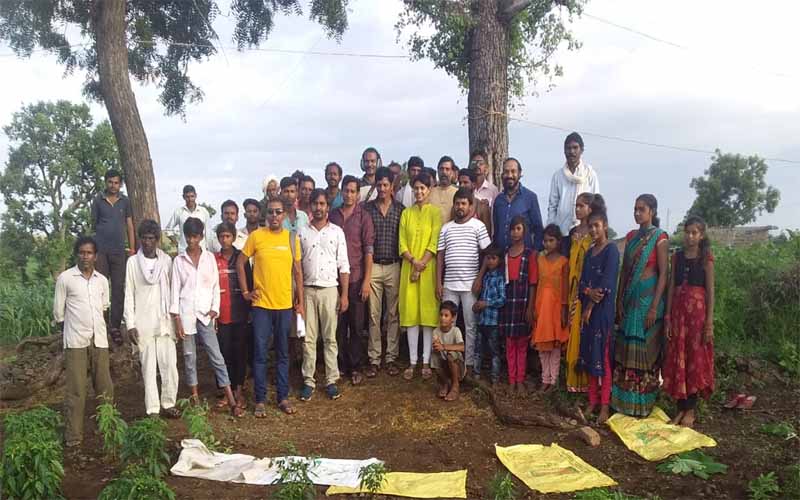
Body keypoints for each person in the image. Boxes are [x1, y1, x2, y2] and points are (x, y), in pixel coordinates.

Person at [238, 197, 304, 416]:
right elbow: (240, 263)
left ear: (284, 214)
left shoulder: (291, 238)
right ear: (265, 214)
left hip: (284, 305)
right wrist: (246, 292)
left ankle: (283, 397)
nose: (274, 216)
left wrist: (301, 302)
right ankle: (260, 400)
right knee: (260, 354)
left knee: (283, 353)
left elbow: (297, 272)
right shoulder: (256, 236)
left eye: (278, 212)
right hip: (261, 306)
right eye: (271, 212)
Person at [170, 218, 241, 416]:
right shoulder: (179, 261)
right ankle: (195, 398)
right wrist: (177, 319)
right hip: (186, 314)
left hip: (205, 314)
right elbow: (174, 291)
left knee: (216, 356)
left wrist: (214, 310)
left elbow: (215, 286)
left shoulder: (209, 258)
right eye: (188, 237)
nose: (191, 241)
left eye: (195, 236)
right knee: (189, 357)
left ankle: (231, 399)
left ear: (201, 237)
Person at [612, 194, 669, 417]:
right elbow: (625, 270)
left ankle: (643, 405)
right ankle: (624, 403)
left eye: (641, 209)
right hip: (630, 301)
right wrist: (619, 300)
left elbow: (663, 274)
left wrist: (654, 306)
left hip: (648, 303)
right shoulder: (631, 237)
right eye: (635, 209)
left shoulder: (660, 238)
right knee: (626, 350)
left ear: (652, 212)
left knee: (646, 352)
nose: (637, 213)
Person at [54, 236, 113, 447]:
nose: (85, 256)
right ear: (76, 254)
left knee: (105, 387)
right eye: (81, 252)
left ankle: (106, 428)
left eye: (89, 253)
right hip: (76, 342)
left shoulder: (102, 280)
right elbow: (59, 315)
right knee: (76, 390)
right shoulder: (65, 279)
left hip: (99, 340)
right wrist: (72, 333)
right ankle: (73, 436)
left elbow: (104, 309)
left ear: (95, 256)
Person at [663, 215, 715, 428]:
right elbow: (671, 287)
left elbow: (710, 291)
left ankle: (690, 410)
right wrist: (667, 317)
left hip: (697, 317)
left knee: (694, 359)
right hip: (678, 315)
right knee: (678, 358)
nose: (690, 236)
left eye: (694, 233)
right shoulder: (676, 257)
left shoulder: (706, 258)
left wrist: (709, 323)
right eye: (687, 232)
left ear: (701, 235)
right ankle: (680, 408)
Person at [124, 220, 180, 419]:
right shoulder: (132, 263)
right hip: (143, 322)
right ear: (140, 239)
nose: (147, 242)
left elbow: (173, 290)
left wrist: (175, 319)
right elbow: (128, 294)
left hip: (164, 322)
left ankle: (169, 403)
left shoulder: (166, 261)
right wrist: (130, 324)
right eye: (144, 238)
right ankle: (153, 409)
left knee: (169, 366)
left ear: (157, 240)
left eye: (151, 238)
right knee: (148, 368)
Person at [298, 189, 350, 401]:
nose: (318, 208)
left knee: (330, 338)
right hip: (308, 290)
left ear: (328, 207)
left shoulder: (337, 232)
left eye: (322, 204)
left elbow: (343, 265)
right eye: (315, 204)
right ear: (310, 206)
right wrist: (298, 296)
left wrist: (344, 295)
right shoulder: (301, 232)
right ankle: (308, 381)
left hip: (330, 290)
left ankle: (331, 380)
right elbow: (296, 267)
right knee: (309, 339)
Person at [436, 187, 491, 373]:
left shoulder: (478, 226)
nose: (460, 207)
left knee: (470, 326)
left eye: (463, 203)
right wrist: (438, 282)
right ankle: (448, 364)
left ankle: (469, 365)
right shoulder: (446, 228)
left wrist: (479, 278)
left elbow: (487, 254)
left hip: (470, 286)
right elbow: (440, 256)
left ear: (470, 206)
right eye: (457, 203)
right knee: (447, 325)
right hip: (449, 285)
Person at [329, 175, 374, 386]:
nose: (348, 195)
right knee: (338, 325)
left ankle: (355, 366)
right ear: (342, 192)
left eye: (352, 191)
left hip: (356, 277)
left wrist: (367, 280)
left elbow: (368, 250)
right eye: (346, 190)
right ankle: (339, 365)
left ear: (358, 194)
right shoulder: (333, 215)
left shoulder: (364, 217)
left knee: (356, 326)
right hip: (334, 279)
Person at [576, 209, 620, 425]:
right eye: (590, 226)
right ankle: (592, 400)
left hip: (602, 313)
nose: (593, 230)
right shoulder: (589, 252)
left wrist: (590, 306)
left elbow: (607, 283)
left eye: (597, 226)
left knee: (603, 358)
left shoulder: (611, 250)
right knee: (590, 354)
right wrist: (587, 293)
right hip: (588, 312)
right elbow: (582, 284)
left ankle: (604, 405)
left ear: (605, 226)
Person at [399, 171, 442, 381]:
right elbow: (402, 243)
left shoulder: (435, 213)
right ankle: (412, 361)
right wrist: (414, 262)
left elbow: (434, 242)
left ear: (429, 189)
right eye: (415, 188)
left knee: (427, 315)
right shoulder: (406, 213)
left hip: (428, 269)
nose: (419, 192)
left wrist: (421, 263)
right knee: (411, 315)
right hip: (409, 268)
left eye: (422, 188)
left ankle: (426, 361)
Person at [364, 167, 404, 377]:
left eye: (385, 185)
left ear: (391, 186)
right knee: (373, 314)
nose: (382, 188)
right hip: (373, 265)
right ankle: (374, 357)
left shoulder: (400, 209)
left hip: (394, 265)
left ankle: (391, 357)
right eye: (379, 185)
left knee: (393, 314)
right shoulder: (367, 209)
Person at [565, 193, 606, 393]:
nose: (577, 209)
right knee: (572, 332)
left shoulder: (593, 234)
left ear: (590, 208)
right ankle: (572, 380)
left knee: (584, 332)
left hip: (587, 290)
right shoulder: (573, 233)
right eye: (576, 205)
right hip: (572, 288)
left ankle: (586, 385)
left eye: (581, 206)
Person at [90, 169, 135, 345]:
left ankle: (115, 327)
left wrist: (132, 248)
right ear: (106, 182)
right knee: (100, 287)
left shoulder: (125, 201)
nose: (113, 185)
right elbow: (94, 226)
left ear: (120, 184)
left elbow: (129, 225)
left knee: (118, 288)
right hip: (101, 251)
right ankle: (100, 325)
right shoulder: (98, 201)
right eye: (110, 182)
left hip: (119, 251)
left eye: (116, 182)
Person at [214, 222, 252, 414]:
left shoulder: (241, 258)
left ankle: (239, 390)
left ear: (234, 237)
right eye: (221, 236)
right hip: (221, 315)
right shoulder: (213, 259)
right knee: (223, 353)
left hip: (240, 314)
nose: (224, 240)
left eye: (228, 236)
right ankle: (225, 391)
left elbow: (249, 284)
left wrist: (250, 310)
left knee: (240, 353)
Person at [500, 215, 538, 396]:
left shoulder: (530, 255)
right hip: (508, 302)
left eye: (518, 229)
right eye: (512, 229)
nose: (515, 233)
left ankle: (521, 380)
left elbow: (533, 283)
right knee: (509, 344)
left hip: (522, 302)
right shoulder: (505, 254)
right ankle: (511, 380)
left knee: (522, 344)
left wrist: (530, 307)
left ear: (524, 231)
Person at [530, 224, 569, 393]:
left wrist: (564, 310)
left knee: (554, 346)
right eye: (545, 241)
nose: (547, 244)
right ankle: (544, 379)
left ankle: (554, 381)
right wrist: (532, 307)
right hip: (541, 307)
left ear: (559, 242)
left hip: (555, 308)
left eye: (551, 240)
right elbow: (535, 283)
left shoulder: (563, 262)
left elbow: (565, 288)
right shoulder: (539, 260)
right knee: (542, 345)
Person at [547, 132, 600, 236]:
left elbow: (596, 205)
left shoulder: (590, 174)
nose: (572, 151)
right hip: (562, 232)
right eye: (568, 148)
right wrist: (551, 231)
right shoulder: (558, 176)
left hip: (585, 233)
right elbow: (552, 207)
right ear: (564, 151)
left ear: (582, 150)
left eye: (575, 148)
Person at [492, 158, 544, 251]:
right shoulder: (498, 200)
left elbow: (538, 229)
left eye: (513, 171)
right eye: (506, 172)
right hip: (501, 255)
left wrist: (535, 253)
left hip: (524, 255)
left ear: (519, 173)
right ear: (502, 174)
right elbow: (496, 230)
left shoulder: (530, 197)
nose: (509, 175)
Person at [472, 244, 506, 385]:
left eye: (493, 258)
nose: (490, 261)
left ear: (499, 260)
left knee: (494, 352)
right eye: (488, 258)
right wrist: (477, 305)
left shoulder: (500, 278)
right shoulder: (485, 276)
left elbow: (502, 299)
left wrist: (487, 303)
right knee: (478, 349)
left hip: (493, 322)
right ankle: (476, 375)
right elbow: (481, 295)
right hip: (482, 320)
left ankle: (495, 378)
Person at [432, 301, 465, 402]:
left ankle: (455, 386)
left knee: (451, 355)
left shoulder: (456, 330)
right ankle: (445, 383)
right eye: (441, 315)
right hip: (445, 365)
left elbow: (462, 347)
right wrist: (437, 346)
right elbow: (437, 348)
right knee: (434, 355)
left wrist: (444, 347)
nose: (443, 318)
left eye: (446, 315)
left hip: (458, 367)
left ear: (453, 318)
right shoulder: (436, 331)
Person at [165, 184, 211, 252]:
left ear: (196, 196)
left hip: (201, 251)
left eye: (192, 196)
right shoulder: (179, 212)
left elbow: (208, 233)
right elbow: (168, 230)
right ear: (183, 197)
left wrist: (207, 249)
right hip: (184, 250)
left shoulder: (203, 212)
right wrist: (177, 243)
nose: (190, 199)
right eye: (187, 197)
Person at [457, 167, 492, 235]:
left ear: (474, 185)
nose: (462, 185)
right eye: (460, 183)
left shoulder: (482, 207)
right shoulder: (456, 207)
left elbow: (487, 234)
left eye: (465, 182)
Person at [428, 156, 458, 224]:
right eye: (441, 169)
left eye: (447, 169)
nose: (444, 172)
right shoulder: (429, 192)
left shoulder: (458, 193)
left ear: (452, 172)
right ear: (438, 171)